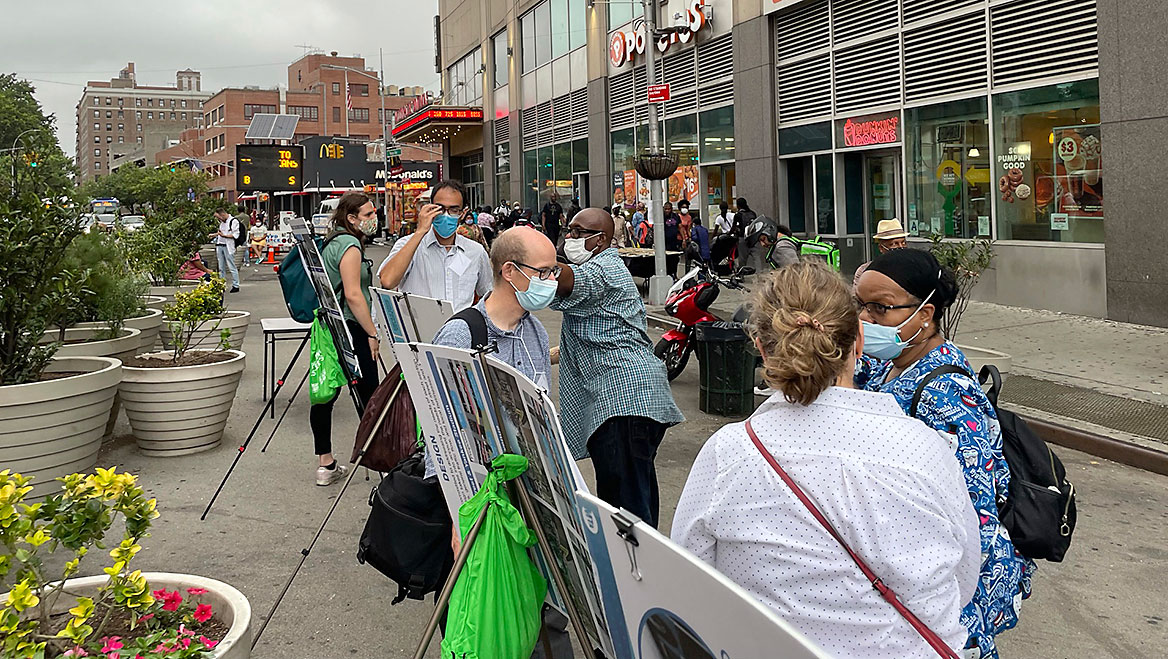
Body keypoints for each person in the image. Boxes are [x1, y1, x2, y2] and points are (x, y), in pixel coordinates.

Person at [672, 261, 980, 659]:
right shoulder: (929, 451)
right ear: (857, 343)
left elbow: (690, 582)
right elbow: (964, 575)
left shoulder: (729, 453)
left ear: (762, 349)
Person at [853, 248, 1034, 658]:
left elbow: (972, 516)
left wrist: (957, 620)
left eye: (880, 308)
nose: (865, 320)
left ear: (925, 314)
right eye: (860, 305)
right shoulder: (888, 364)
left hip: (955, 593)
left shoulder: (950, 396)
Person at [551, 209, 684, 528]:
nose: (569, 238)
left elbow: (568, 279)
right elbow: (595, 334)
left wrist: (530, 259)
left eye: (577, 232)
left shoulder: (604, 268)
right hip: (630, 401)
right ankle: (640, 567)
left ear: (600, 240)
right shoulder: (605, 269)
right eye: (568, 230)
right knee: (632, 494)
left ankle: (636, 572)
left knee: (626, 511)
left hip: (623, 402)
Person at [313, 192, 382, 486]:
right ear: (351, 218)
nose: (373, 219)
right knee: (372, 396)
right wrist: (372, 333)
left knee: (326, 394)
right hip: (352, 327)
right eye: (367, 215)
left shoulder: (332, 241)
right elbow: (354, 295)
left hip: (330, 324)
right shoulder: (350, 245)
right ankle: (382, 459)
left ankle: (325, 464)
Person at [378, 179, 492, 312]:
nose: (445, 215)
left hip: (458, 330)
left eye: (453, 210)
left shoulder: (475, 251)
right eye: (440, 209)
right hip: (420, 331)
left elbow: (488, 295)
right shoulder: (409, 245)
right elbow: (387, 281)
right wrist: (420, 231)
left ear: (462, 213)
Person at [853, 218, 909, 289]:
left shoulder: (913, 268)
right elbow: (856, 296)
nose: (901, 247)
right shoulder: (865, 271)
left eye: (903, 243)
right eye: (894, 244)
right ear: (881, 248)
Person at [209, 208, 241, 292]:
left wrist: (224, 236)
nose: (218, 219)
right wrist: (215, 235)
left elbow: (235, 235)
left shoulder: (233, 221)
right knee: (221, 267)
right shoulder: (222, 223)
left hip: (228, 246)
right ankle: (222, 284)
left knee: (231, 265)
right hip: (220, 245)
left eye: (218, 217)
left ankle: (236, 285)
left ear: (222, 215)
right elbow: (220, 232)